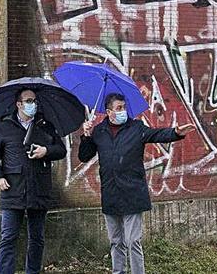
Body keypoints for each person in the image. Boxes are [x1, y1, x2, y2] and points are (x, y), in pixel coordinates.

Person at [78, 92, 195, 274]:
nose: (122, 111)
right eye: (118, 108)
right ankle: (119, 271)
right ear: (109, 112)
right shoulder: (99, 131)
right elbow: (84, 156)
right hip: (110, 193)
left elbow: (156, 134)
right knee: (116, 241)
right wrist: (85, 136)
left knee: (133, 241)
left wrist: (176, 133)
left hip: (132, 192)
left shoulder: (136, 127)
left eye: (124, 107)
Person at [0, 88, 66, 274]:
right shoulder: (5, 126)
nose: (33, 104)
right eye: (29, 101)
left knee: (37, 238)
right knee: (8, 237)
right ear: (19, 104)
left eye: (35, 101)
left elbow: (61, 150)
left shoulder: (45, 125)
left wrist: (46, 151)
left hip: (39, 189)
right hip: (13, 190)